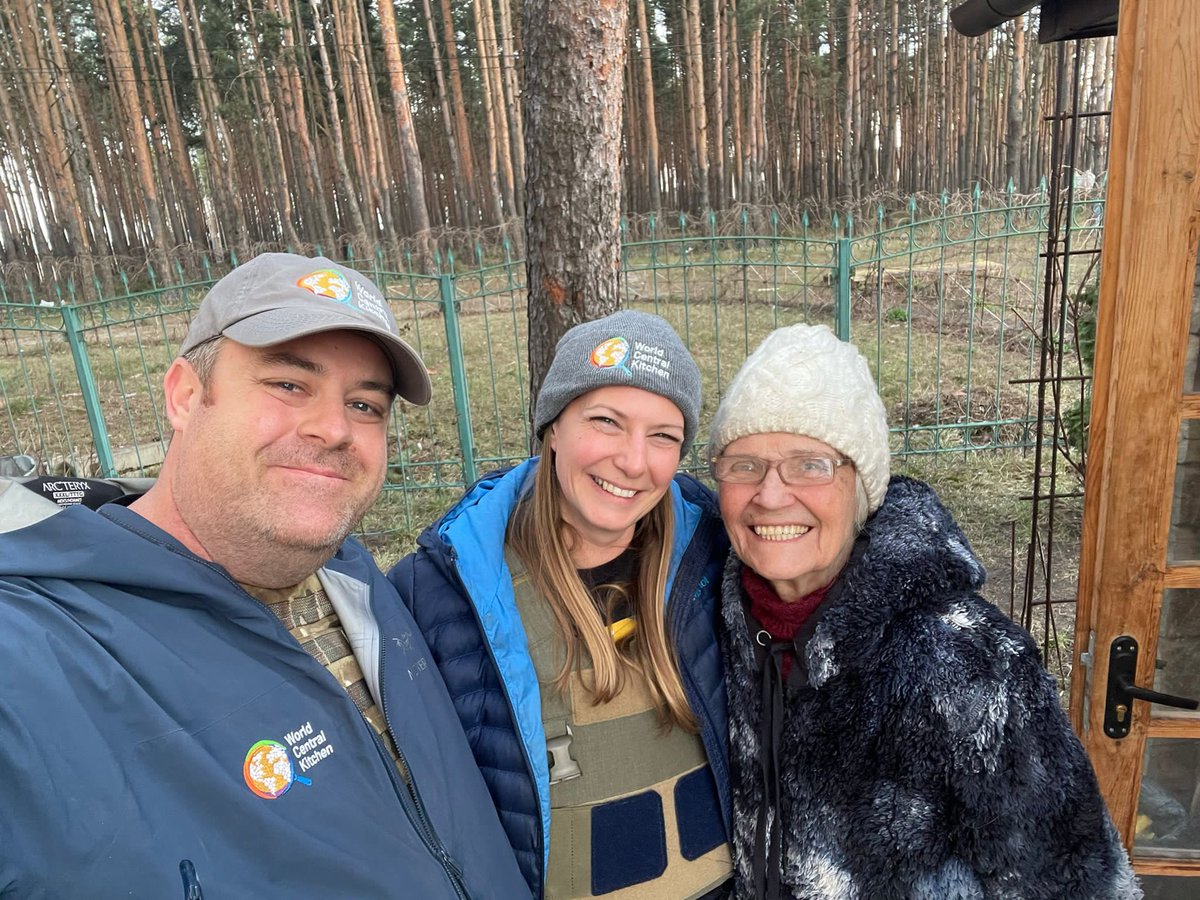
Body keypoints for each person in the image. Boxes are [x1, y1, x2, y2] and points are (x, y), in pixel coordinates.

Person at [0, 253, 529, 898]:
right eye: (288, 384)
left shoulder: (358, 581)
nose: (334, 429)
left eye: (365, 404)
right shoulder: (38, 652)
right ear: (185, 395)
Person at [707, 323, 1141, 900]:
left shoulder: (970, 665)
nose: (770, 494)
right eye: (743, 464)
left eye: (810, 464)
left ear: (862, 487)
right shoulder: (710, 629)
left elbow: (1077, 883)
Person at [389, 311, 732, 899]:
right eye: (606, 421)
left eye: (663, 436)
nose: (633, 461)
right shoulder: (442, 594)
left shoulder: (718, 554)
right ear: (552, 427)